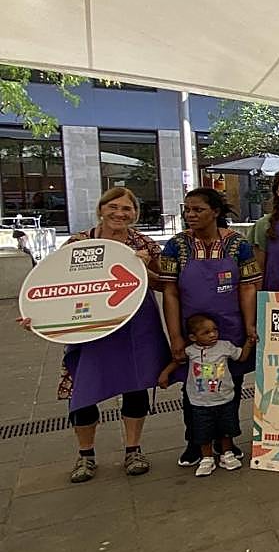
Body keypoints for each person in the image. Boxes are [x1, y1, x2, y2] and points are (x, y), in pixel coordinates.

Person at [16, 187, 172, 482]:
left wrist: (142, 269)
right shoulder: (79, 243)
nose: (119, 213)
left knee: (135, 386)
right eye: (113, 207)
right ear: (101, 209)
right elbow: (55, 286)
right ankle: (85, 455)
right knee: (83, 389)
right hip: (89, 327)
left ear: (135, 214)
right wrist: (36, 318)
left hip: (135, 325)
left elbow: (165, 284)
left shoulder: (144, 244)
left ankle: (133, 450)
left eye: (127, 209)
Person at [160, 188, 260, 467]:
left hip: (230, 328)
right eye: (187, 210)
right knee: (193, 389)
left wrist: (250, 324)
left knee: (231, 385)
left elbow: (248, 288)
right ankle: (195, 442)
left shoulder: (238, 245)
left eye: (198, 210)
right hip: (193, 330)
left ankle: (225, 440)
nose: (190, 215)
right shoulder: (176, 246)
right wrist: (176, 336)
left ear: (215, 212)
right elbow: (170, 292)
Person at [157, 313, 253, 477]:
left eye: (214, 330)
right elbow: (177, 361)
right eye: (206, 332)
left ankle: (227, 453)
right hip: (200, 401)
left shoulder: (225, 346)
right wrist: (165, 374)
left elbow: (241, 356)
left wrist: (249, 342)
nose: (213, 334)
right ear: (193, 337)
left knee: (226, 429)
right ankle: (206, 457)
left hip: (225, 398)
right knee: (203, 431)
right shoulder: (190, 351)